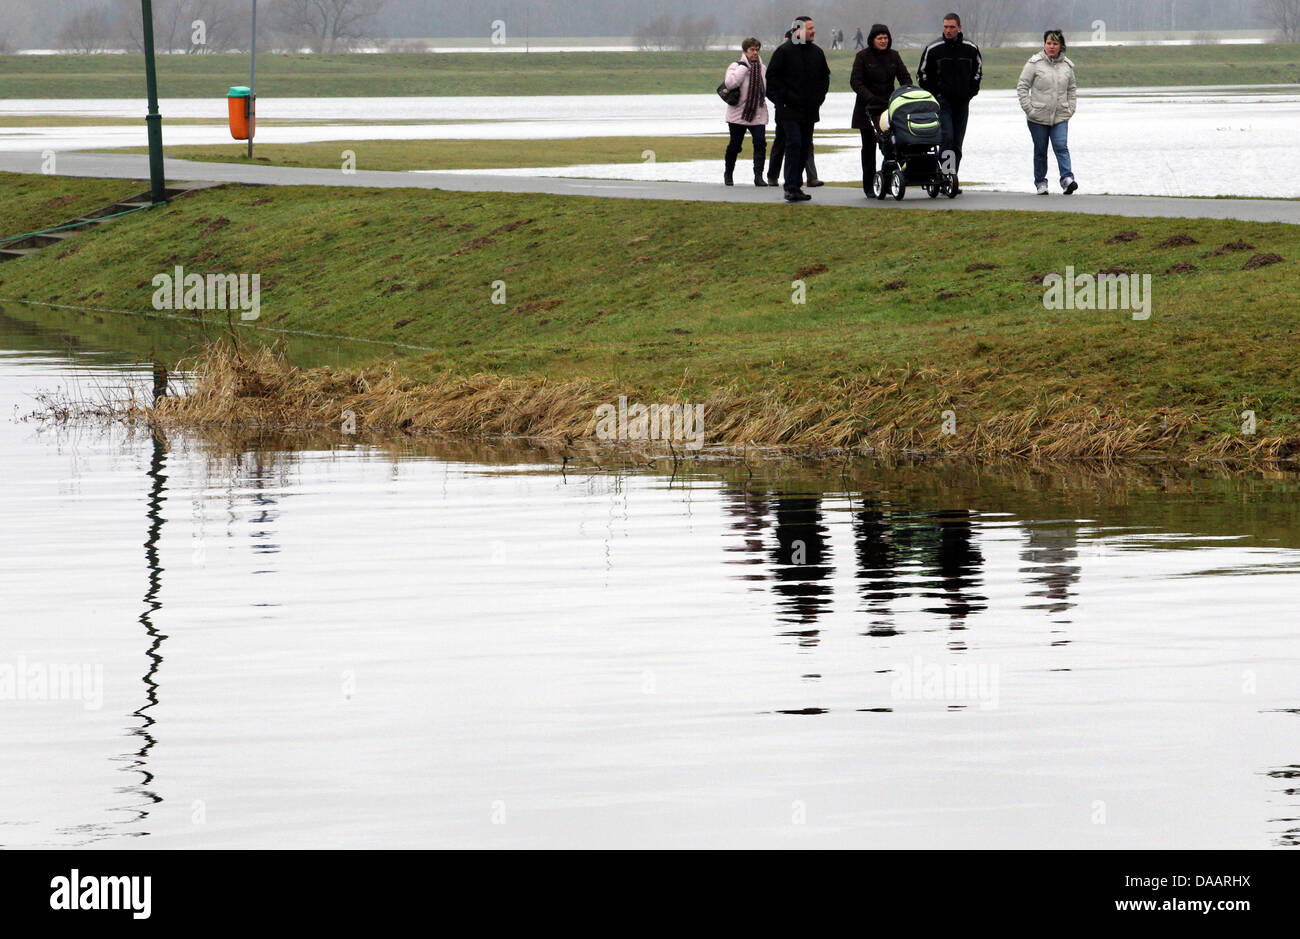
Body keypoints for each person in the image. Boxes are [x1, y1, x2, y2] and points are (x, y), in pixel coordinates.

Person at [765, 16, 831, 203]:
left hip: (809, 110)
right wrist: (781, 101)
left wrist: (820, 98)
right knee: (793, 144)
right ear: (798, 30)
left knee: (803, 147)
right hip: (788, 110)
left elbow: (824, 78)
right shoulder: (783, 51)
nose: (813, 31)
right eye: (810, 28)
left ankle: (797, 186)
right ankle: (790, 187)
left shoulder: (817, 52)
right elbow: (771, 80)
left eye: (813, 27)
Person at [917, 12, 982, 194]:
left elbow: (978, 72)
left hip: (962, 102)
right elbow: (922, 75)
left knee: (957, 144)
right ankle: (944, 176)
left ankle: (950, 178)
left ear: (959, 28)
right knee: (947, 138)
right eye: (945, 26)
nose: (948, 30)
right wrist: (935, 94)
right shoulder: (933, 48)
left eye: (952, 27)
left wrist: (971, 92)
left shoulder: (970, 48)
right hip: (942, 102)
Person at [850, 24, 911, 198]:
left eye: (885, 38)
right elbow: (855, 81)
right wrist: (869, 97)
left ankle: (888, 181)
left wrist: (906, 94)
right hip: (867, 109)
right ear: (872, 40)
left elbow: (904, 77)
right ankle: (869, 185)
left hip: (889, 108)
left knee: (891, 147)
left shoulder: (894, 56)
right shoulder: (862, 57)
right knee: (868, 148)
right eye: (880, 38)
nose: (883, 41)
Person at [1017, 29, 1078, 195]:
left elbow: (1072, 89)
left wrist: (1070, 108)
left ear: (1061, 46)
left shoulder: (1067, 66)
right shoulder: (1034, 63)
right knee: (1040, 150)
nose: (1052, 46)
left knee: (1061, 145)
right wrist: (1029, 109)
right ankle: (1041, 182)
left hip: (1060, 116)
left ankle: (1067, 179)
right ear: (1044, 44)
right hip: (1038, 116)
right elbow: (1022, 86)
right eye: (1049, 43)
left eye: (1055, 43)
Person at [721, 38, 770, 187]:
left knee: (760, 143)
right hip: (738, 115)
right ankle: (728, 174)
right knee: (735, 145)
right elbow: (730, 84)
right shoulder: (735, 66)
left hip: (758, 113)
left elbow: (767, 89)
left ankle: (758, 177)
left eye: (757, 50)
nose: (755, 53)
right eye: (752, 50)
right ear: (745, 51)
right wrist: (744, 67)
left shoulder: (762, 68)